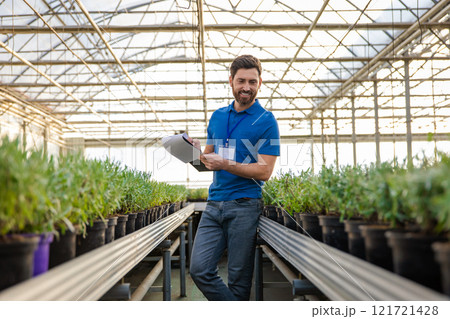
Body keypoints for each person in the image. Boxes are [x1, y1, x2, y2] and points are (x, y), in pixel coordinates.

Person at [189, 55, 280, 301]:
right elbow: (208, 160)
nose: (246, 87)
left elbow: (265, 171)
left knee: (239, 279)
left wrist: (225, 163)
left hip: (245, 205)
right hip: (214, 204)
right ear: (231, 81)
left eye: (252, 81)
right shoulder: (218, 116)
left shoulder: (267, 121)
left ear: (260, 83)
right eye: (241, 81)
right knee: (199, 269)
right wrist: (195, 152)